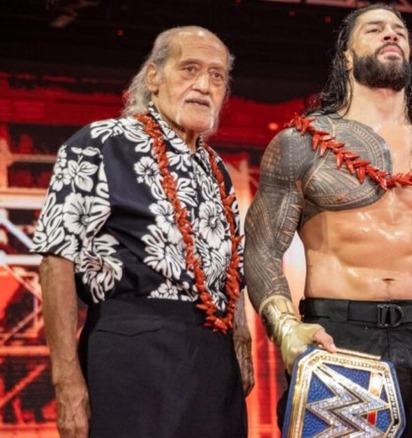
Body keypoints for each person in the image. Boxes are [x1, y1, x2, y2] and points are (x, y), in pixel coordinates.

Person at [244, 4, 412, 436]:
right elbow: (261, 249)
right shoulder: (302, 145)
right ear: (347, 58)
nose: (390, 35)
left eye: (398, 30)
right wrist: (285, 329)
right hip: (339, 336)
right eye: (374, 29)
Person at [32, 26, 253, 438]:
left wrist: (240, 338)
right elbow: (55, 258)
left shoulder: (217, 167)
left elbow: (232, 268)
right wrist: (66, 383)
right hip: (132, 352)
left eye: (217, 75)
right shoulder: (100, 144)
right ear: (153, 77)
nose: (204, 85)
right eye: (190, 69)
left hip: (211, 360)